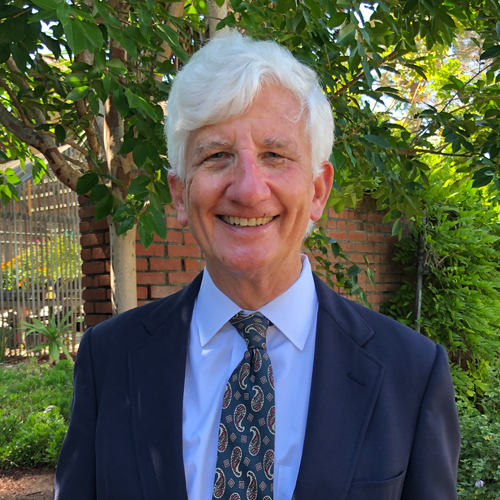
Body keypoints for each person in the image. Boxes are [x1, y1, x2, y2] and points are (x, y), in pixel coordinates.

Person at [54, 30, 460, 500]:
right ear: (179, 195)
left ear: (317, 191)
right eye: (217, 156)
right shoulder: (109, 359)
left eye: (275, 155)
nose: (248, 189)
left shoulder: (409, 370)